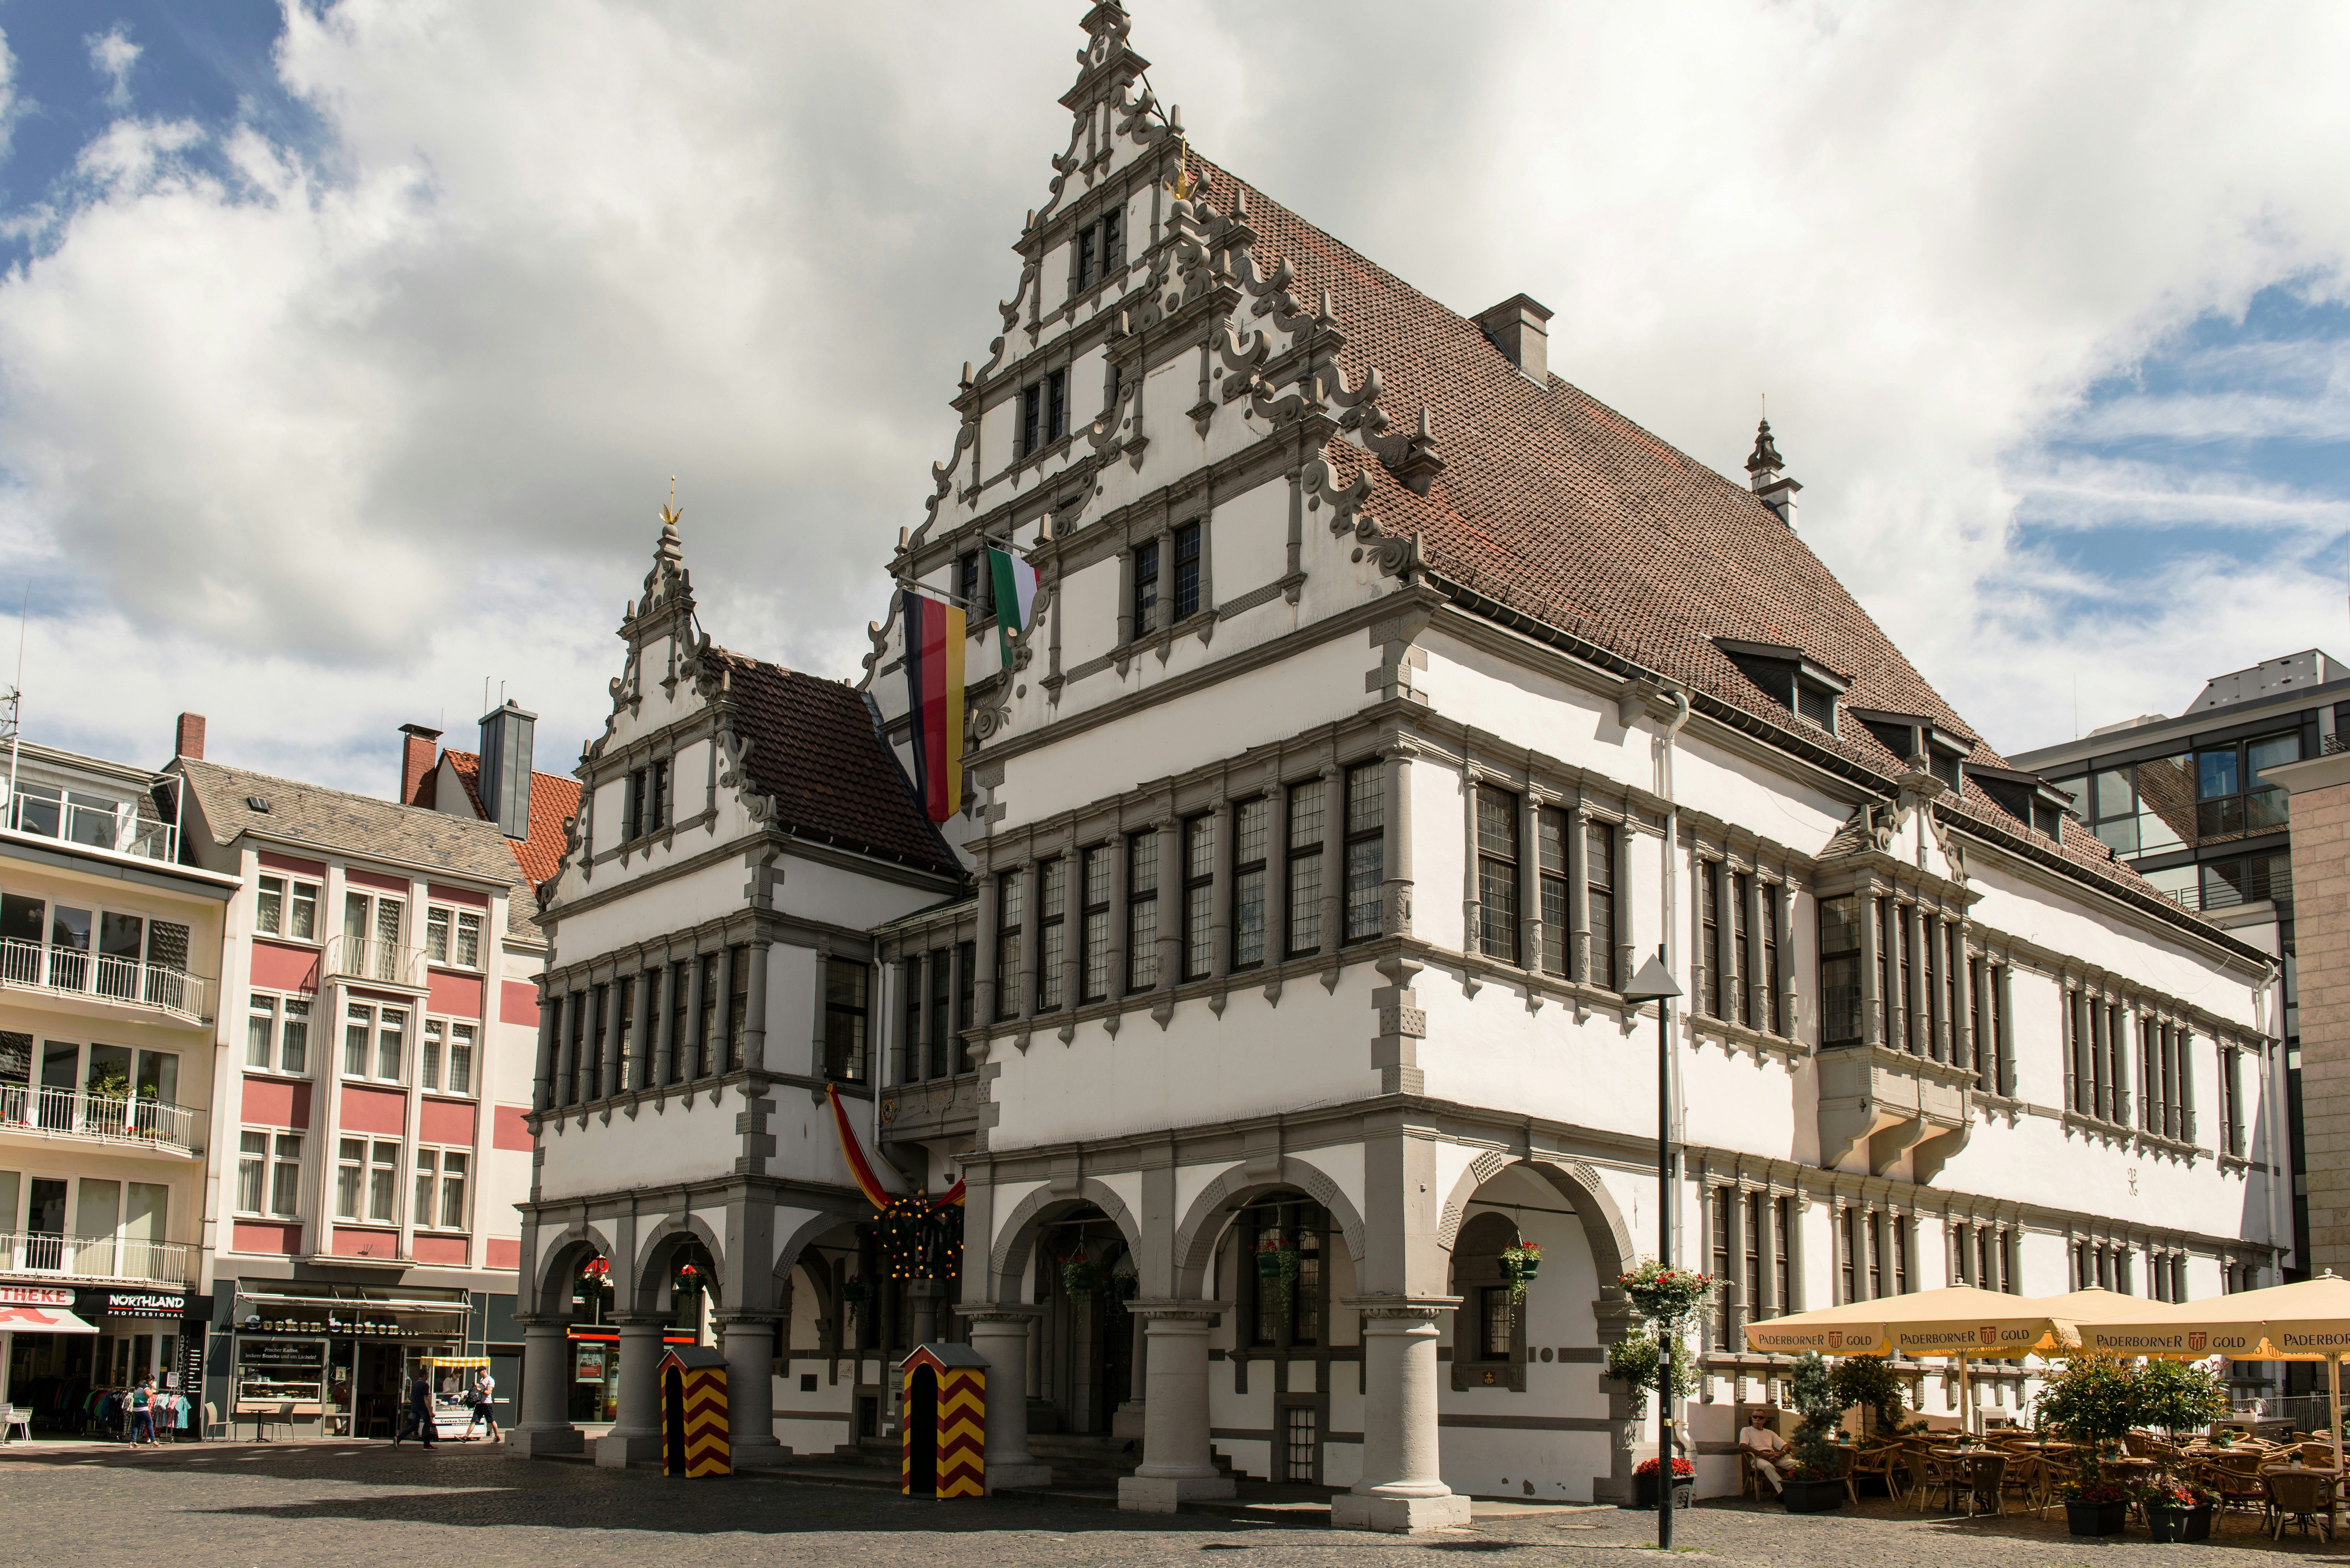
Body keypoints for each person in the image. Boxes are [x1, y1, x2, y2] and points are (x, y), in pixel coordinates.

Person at [1740, 1408, 1795, 1494]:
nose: (1758, 1419)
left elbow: (1787, 1446)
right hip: (1757, 1458)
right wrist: (1763, 1455)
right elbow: (1743, 1446)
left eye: (1761, 1418)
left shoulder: (1770, 1433)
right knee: (1768, 1466)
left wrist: (1780, 1454)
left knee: (1797, 1464)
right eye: (1755, 1417)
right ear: (1752, 1418)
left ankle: (1798, 1489)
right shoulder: (1746, 1431)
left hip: (1773, 1456)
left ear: (1765, 1420)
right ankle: (1783, 1492)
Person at [392, 1368, 437, 1448]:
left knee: (414, 1426)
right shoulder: (425, 1385)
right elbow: (426, 1399)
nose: (428, 1376)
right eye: (427, 1374)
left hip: (415, 1407)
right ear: (425, 1375)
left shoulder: (415, 1384)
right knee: (427, 1424)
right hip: (422, 1408)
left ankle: (399, 1438)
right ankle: (427, 1445)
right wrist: (430, 1412)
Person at [464, 1369, 500, 1442]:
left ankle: (497, 1436)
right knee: (474, 1420)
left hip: (487, 1404)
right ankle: (465, 1437)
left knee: (491, 1420)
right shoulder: (482, 1380)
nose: (478, 1374)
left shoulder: (490, 1380)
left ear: (484, 1371)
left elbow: (488, 1393)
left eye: (479, 1372)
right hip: (480, 1403)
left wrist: (480, 1389)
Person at [128, 1378, 155, 1446]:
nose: (153, 1382)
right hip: (143, 1408)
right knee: (150, 1423)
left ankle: (133, 1441)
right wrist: (153, 1389)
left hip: (136, 1408)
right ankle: (153, 1440)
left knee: (137, 1424)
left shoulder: (138, 1387)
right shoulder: (145, 1387)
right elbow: (149, 1396)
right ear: (149, 1381)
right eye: (152, 1381)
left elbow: (134, 1396)